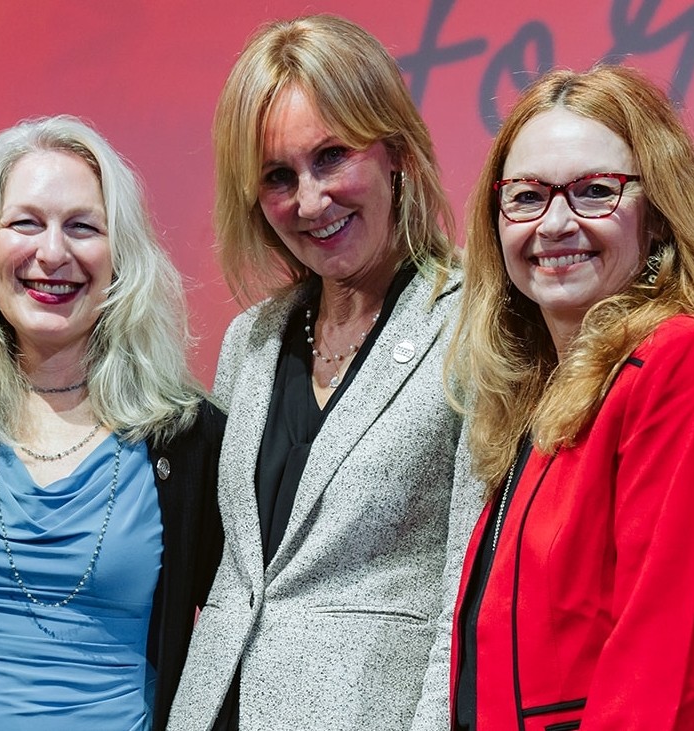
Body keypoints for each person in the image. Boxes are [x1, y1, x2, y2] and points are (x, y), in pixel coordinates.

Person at [447, 64, 694, 729]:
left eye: (595, 192)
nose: (555, 223)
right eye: (526, 196)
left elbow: (664, 678)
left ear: (659, 215)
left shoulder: (687, 365)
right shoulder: (546, 398)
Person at [167, 14, 483, 731]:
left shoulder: (472, 321)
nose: (310, 202)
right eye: (279, 177)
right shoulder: (252, 340)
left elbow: (465, 593)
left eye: (331, 156)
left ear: (395, 151)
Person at [0, 115, 225, 730]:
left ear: (121, 257)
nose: (53, 252)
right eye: (26, 223)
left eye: (82, 227)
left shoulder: (191, 441)